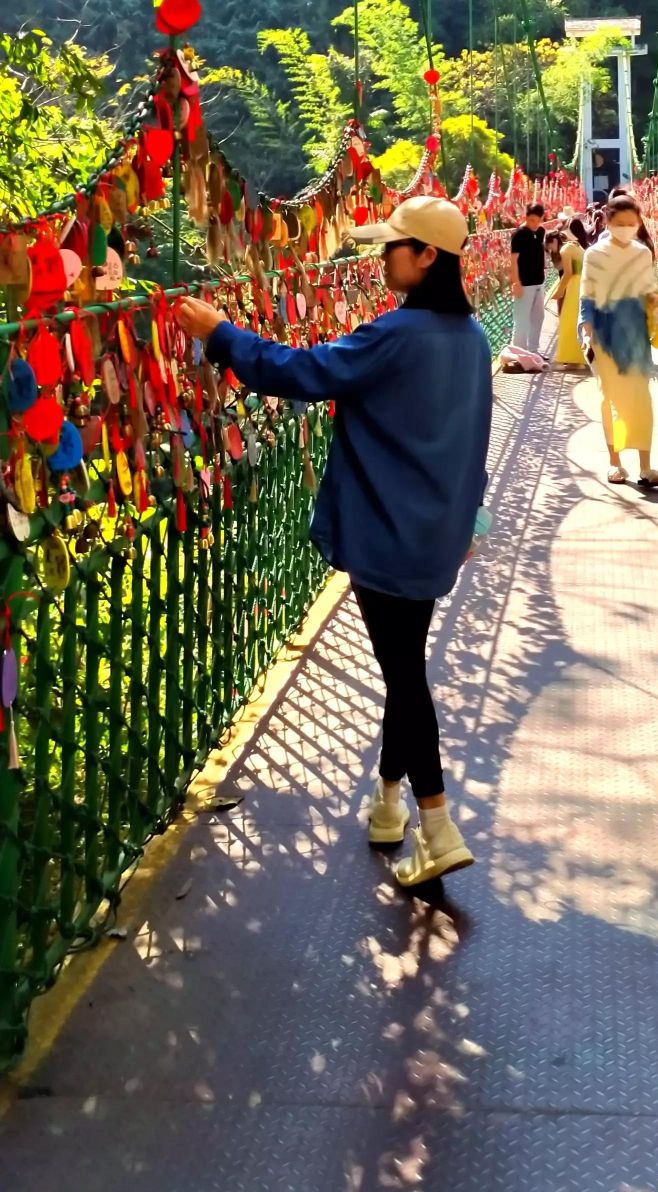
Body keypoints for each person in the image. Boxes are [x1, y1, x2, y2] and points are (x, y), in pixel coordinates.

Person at [175, 194, 492, 891]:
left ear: (426, 257)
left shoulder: (396, 335)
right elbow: (477, 441)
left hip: (387, 533)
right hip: (438, 532)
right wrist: (470, 519)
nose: (382, 258)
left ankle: (436, 825)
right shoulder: (472, 341)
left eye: (392, 248)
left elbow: (302, 373)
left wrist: (223, 333)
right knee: (402, 664)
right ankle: (386, 806)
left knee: (406, 678)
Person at [578, 190, 658, 488]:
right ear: (608, 221)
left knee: (641, 400)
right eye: (622, 222)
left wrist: (656, 306)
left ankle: (646, 466)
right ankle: (614, 463)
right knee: (611, 399)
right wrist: (586, 332)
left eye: (633, 222)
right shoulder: (594, 255)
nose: (628, 227)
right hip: (605, 338)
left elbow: (648, 290)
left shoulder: (642, 253)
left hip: (636, 338)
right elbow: (586, 297)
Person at [510, 200, 546, 354]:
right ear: (526, 217)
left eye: (538, 220)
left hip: (539, 282)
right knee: (522, 319)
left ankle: (533, 351)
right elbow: (513, 261)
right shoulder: (519, 235)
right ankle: (518, 353)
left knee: (538, 317)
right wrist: (516, 282)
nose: (535, 223)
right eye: (532, 220)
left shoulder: (540, 232)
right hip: (524, 283)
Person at [554, 217, 590, 366]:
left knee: (569, 320)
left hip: (574, 286)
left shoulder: (567, 248)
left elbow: (568, 273)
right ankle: (581, 356)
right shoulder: (579, 247)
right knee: (578, 320)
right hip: (583, 284)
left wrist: (559, 291)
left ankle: (571, 356)